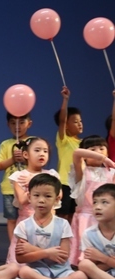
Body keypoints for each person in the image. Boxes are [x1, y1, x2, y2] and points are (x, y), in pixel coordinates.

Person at [15, 174, 104, 279]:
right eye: (36, 195)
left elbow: (63, 256)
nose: (41, 200)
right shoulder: (23, 225)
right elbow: (20, 258)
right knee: (24, 271)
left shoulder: (63, 224)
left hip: (61, 271)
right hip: (37, 271)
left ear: (57, 199)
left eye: (47, 196)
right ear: (29, 197)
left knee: (81, 276)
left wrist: (33, 250)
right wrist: (47, 253)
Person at [8, 137, 60, 263]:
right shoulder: (19, 176)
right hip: (28, 223)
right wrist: (37, 184)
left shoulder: (52, 174)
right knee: (22, 261)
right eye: (37, 150)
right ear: (26, 154)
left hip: (49, 223)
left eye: (45, 151)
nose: (42, 154)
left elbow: (59, 195)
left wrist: (34, 180)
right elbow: (22, 199)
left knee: (49, 259)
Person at [69, 136, 115, 265]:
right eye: (92, 149)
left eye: (102, 148)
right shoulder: (82, 171)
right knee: (85, 256)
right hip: (86, 217)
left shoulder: (111, 173)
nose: (98, 152)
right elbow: (76, 153)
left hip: (107, 219)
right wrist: (104, 159)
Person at [0, 112, 33, 252]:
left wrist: (25, 159)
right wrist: (12, 159)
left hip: (28, 189)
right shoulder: (5, 144)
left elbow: (39, 161)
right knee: (11, 219)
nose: (17, 126)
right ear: (8, 124)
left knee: (29, 217)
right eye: (13, 123)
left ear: (29, 123)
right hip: (9, 189)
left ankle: (29, 246)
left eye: (22, 122)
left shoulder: (33, 142)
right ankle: (14, 248)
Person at [77, 184, 115, 279]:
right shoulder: (89, 234)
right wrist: (110, 263)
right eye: (95, 202)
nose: (97, 207)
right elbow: (93, 267)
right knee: (84, 265)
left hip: (104, 276)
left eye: (104, 202)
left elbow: (100, 263)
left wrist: (103, 258)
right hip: (104, 276)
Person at [55, 87, 82, 221]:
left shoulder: (83, 143)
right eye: (75, 122)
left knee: (74, 214)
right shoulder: (64, 140)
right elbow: (62, 120)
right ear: (66, 125)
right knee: (63, 214)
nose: (80, 124)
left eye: (80, 121)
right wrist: (65, 99)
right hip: (65, 182)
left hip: (78, 183)